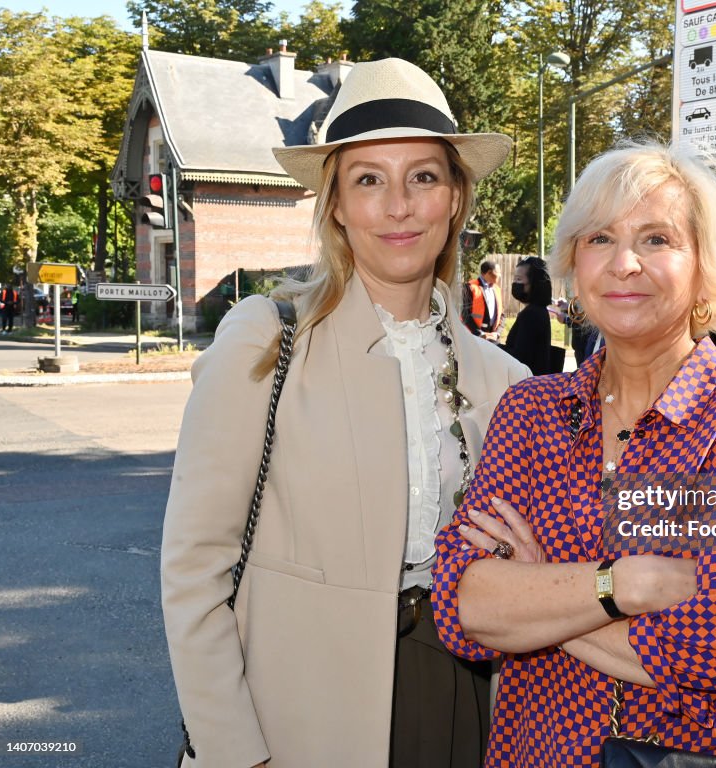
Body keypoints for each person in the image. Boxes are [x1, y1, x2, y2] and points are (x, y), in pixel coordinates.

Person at [161, 58, 529, 768]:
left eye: (423, 176)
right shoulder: (266, 339)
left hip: (461, 701)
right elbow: (193, 567)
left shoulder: (504, 379)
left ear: (455, 198)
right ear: (334, 204)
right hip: (295, 713)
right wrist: (233, 749)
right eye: (368, 180)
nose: (399, 206)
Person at [432, 140, 716, 767]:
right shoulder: (532, 412)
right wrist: (625, 584)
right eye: (600, 238)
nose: (624, 263)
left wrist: (537, 590)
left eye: (658, 239)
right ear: (575, 263)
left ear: (702, 265)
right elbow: (463, 608)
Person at [504, 256, 556, 375]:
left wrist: (494, 349)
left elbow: (520, 357)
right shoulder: (539, 311)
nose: (515, 283)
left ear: (534, 283)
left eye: (519, 279)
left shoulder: (531, 314)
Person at [462, 260, 503, 341]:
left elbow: (502, 315)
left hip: (493, 337)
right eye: (498, 273)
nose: (500, 275)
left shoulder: (497, 289)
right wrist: (480, 334)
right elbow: (464, 313)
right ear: (489, 273)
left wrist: (497, 333)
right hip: (474, 337)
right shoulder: (470, 287)